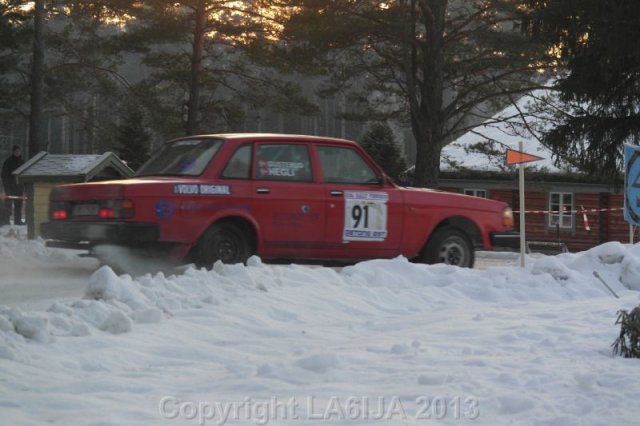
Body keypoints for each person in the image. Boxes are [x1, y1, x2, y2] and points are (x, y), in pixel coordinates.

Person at [1, 145, 25, 225]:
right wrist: (6, 187)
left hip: (19, 188)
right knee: (8, 205)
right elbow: (4, 175)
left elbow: (24, 175)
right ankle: (6, 221)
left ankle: (18, 221)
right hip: (10, 188)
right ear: (13, 151)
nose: (17, 152)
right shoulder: (8, 162)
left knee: (19, 206)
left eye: (18, 151)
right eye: (16, 151)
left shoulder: (22, 162)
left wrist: (23, 187)